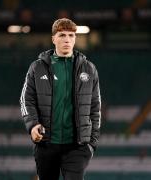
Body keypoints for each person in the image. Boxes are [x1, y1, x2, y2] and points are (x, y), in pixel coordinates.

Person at [20, 18, 101, 180]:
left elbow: (95, 106)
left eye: (71, 35)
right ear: (53, 39)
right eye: (62, 35)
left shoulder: (89, 68)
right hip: (47, 144)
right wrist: (33, 125)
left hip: (77, 146)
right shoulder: (37, 67)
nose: (67, 39)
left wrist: (91, 143)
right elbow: (26, 100)